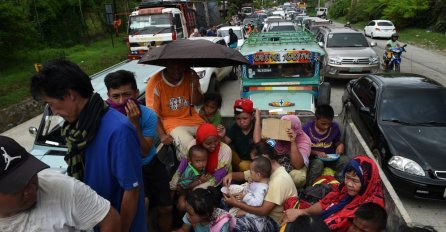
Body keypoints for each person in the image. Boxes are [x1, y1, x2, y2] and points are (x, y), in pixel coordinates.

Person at [30, 59, 147, 231]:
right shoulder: (76, 129)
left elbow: (132, 191)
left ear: (70, 94)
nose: (53, 111)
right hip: (93, 221)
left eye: (51, 104)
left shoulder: (119, 131)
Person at [0, 135, 121, 231]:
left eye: (31, 175)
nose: (31, 189)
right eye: (18, 186)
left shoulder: (63, 188)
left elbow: (111, 221)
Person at [104, 70, 173, 231]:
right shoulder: (105, 116)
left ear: (136, 93)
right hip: (125, 168)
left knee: (166, 208)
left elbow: (144, 151)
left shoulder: (148, 115)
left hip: (149, 164)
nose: (122, 101)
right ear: (108, 96)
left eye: (127, 95)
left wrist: (134, 124)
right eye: (116, 96)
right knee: (141, 207)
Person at [282, 155, 385, 232]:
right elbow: (326, 203)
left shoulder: (369, 210)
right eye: (347, 178)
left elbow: (334, 225)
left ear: (366, 181)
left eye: (354, 181)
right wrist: (304, 212)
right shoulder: (344, 189)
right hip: (320, 222)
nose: (348, 184)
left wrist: (306, 221)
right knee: (290, 205)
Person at [223, 140, 298, 231]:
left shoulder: (279, 180)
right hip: (258, 208)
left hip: (272, 220)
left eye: (254, 160)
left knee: (238, 226)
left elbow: (264, 211)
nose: (252, 163)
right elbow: (243, 175)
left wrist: (237, 204)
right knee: (224, 202)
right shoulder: (262, 170)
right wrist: (231, 175)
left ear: (264, 157)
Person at [145, 63, 205, 161]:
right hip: (172, 122)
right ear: (166, 65)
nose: (177, 70)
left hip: (193, 118)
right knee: (190, 146)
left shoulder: (190, 75)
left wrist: (195, 84)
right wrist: (162, 135)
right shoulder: (155, 82)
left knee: (211, 138)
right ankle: (189, 170)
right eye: (173, 66)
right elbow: (152, 113)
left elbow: (197, 102)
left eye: (180, 66)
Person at [171, 123, 232, 190]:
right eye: (208, 143)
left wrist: (197, 188)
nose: (213, 145)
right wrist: (174, 185)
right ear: (200, 142)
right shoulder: (194, 145)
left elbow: (217, 177)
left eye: (216, 141)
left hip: (215, 182)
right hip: (194, 179)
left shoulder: (225, 150)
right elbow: (183, 165)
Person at [303, 104, 349, 186]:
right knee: (318, 165)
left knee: (345, 160)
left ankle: (340, 185)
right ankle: (309, 188)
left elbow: (336, 141)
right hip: (314, 159)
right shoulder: (307, 128)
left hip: (331, 158)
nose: (326, 127)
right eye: (323, 123)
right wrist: (316, 153)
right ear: (316, 119)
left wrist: (340, 145)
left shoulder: (334, 127)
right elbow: (303, 148)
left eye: (329, 123)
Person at [219, 98, 261, 171]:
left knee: (243, 165)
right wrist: (222, 136)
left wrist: (258, 119)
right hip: (238, 160)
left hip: (253, 162)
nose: (241, 122)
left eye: (245, 118)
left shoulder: (256, 126)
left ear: (252, 116)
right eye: (238, 119)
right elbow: (225, 143)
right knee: (227, 149)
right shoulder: (235, 127)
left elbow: (257, 141)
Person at [274, 115, 312, 188]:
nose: (283, 129)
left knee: (298, 177)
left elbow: (298, 165)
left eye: (287, 126)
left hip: (295, 166)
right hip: (278, 164)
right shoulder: (279, 137)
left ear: (295, 128)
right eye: (282, 125)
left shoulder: (304, 140)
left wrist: (293, 141)